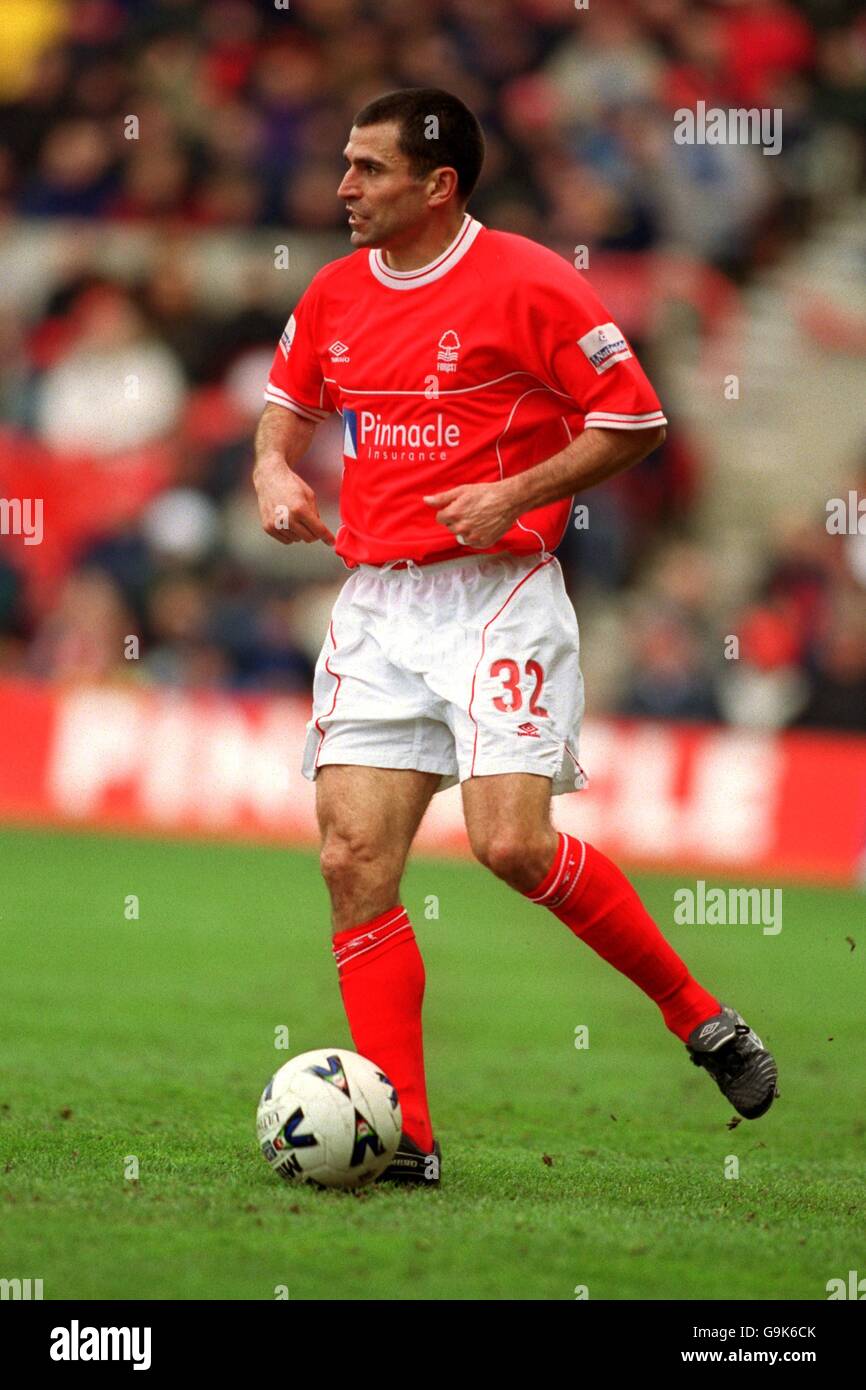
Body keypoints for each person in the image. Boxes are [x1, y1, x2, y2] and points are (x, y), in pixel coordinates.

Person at [252, 88, 778, 1185]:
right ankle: (409, 1146)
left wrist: (515, 493)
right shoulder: (335, 290)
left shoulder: (528, 280)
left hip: (497, 594)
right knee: (351, 861)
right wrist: (270, 467)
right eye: (343, 165)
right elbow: (285, 400)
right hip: (378, 607)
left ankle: (698, 1016)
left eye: (367, 169)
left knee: (509, 847)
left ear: (436, 185)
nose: (342, 188)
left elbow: (631, 417)